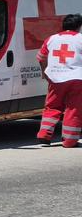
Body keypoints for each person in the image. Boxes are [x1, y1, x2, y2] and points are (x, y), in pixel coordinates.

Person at [36, 13, 82, 148]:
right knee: (73, 109)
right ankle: (69, 141)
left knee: (52, 106)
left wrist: (44, 72)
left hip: (55, 77)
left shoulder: (51, 39)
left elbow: (40, 57)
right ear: (78, 27)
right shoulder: (80, 39)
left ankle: (44, 134)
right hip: (76, 78)